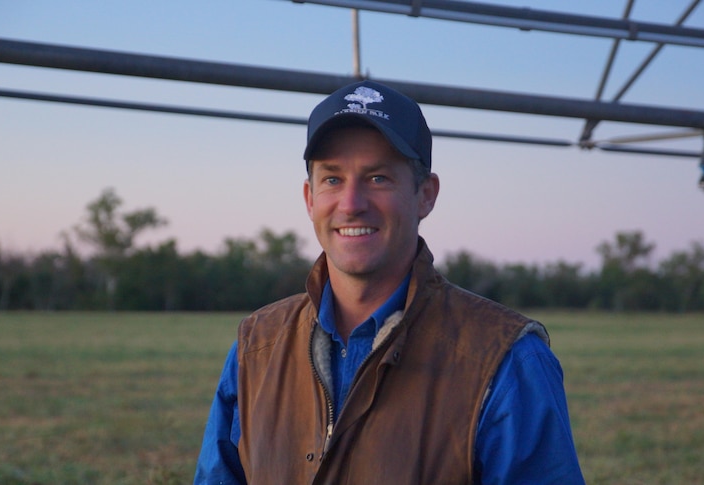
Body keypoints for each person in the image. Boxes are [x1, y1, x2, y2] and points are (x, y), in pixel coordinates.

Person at [194, 80, 585, 484]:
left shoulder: (506, 359)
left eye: (378, 178)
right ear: (310, 199)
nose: (351, 204)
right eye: (332, 179)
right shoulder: (257, 347)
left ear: (425, 195)